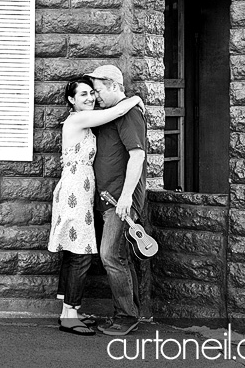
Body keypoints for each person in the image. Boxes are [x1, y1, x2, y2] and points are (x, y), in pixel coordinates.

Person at [49, 77, 144, 336]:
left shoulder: (86, 119)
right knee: (80, 254)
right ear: (71, 100)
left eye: (92, 92)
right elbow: (116, 110)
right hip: (75, 191)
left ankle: (70, 311)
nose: (90, 98)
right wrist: (134, 99)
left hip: (81, 190)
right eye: (83, 95)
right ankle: (69, 315)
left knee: (74, 253)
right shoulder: (78, 119)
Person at [85, 64, 148, 337]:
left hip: (121, 200)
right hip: (109, 198)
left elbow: (137, 156)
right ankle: (127, 312)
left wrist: (125, 198)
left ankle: (126, 316)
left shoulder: (130, 114)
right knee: (119, 256)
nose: (96, 96)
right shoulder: (111, 113)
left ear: (113, 85)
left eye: (99, 90)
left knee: (110, 254)